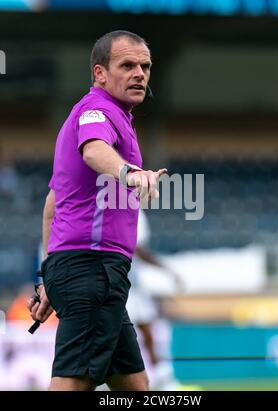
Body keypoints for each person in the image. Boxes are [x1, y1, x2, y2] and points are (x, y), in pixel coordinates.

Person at [27, 30, 167, 391]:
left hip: (84, 271)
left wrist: (48, 279)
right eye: (127, 65)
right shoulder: (96, 112)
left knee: (135, 385)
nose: (139, 73)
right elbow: (94, 150)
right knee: (73, 382)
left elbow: (51, 207)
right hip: (92, 270)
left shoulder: (113, 118)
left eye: (145, 66)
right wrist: (130, 173)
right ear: (100, 74)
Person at [126, 209, 182, 390]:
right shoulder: (130, 210)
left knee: (148, 333)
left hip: (132, 284)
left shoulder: (133, 211)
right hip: (123, 285)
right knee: (139, 334)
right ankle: (164, 380)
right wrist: (165, 268)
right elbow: (138, 249)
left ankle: (164, 380)